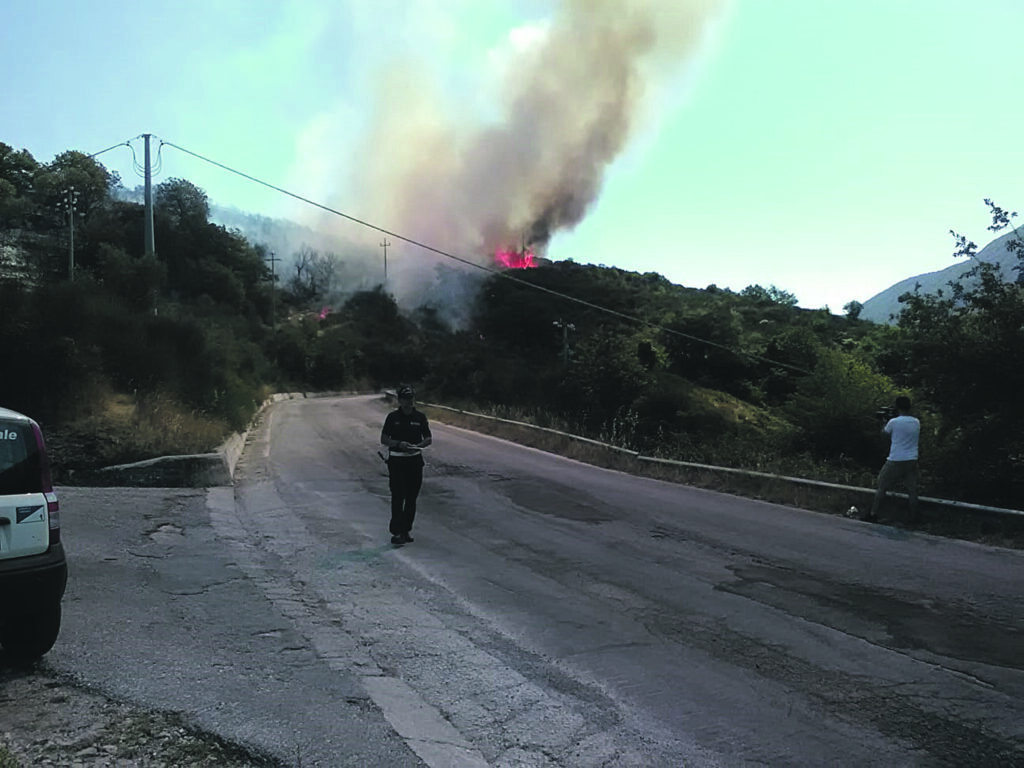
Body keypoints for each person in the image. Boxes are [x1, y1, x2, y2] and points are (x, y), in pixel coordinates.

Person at [380, 385, 432, 544]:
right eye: (404, 399)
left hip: (414, 460)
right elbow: (384, 439)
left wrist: (418, 446)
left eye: (409, 398)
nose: (407, 402)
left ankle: (406, 529)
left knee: (411, 498)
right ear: (399, 400)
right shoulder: (392, 417)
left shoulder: (420, 417)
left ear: (412, 399)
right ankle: (396, 532)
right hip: (397, 460)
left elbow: (428, 438)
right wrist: (398, 443)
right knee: (397, 496)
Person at [868, 395, 920, 522]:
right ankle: (914, 517)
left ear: (898, 407)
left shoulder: (893, 422)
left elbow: (884, 435)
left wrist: (882, 422)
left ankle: (873, 514)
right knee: (912, 489)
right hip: (912, 459)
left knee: (882, 485)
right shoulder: (916, 422)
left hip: (896, 459)